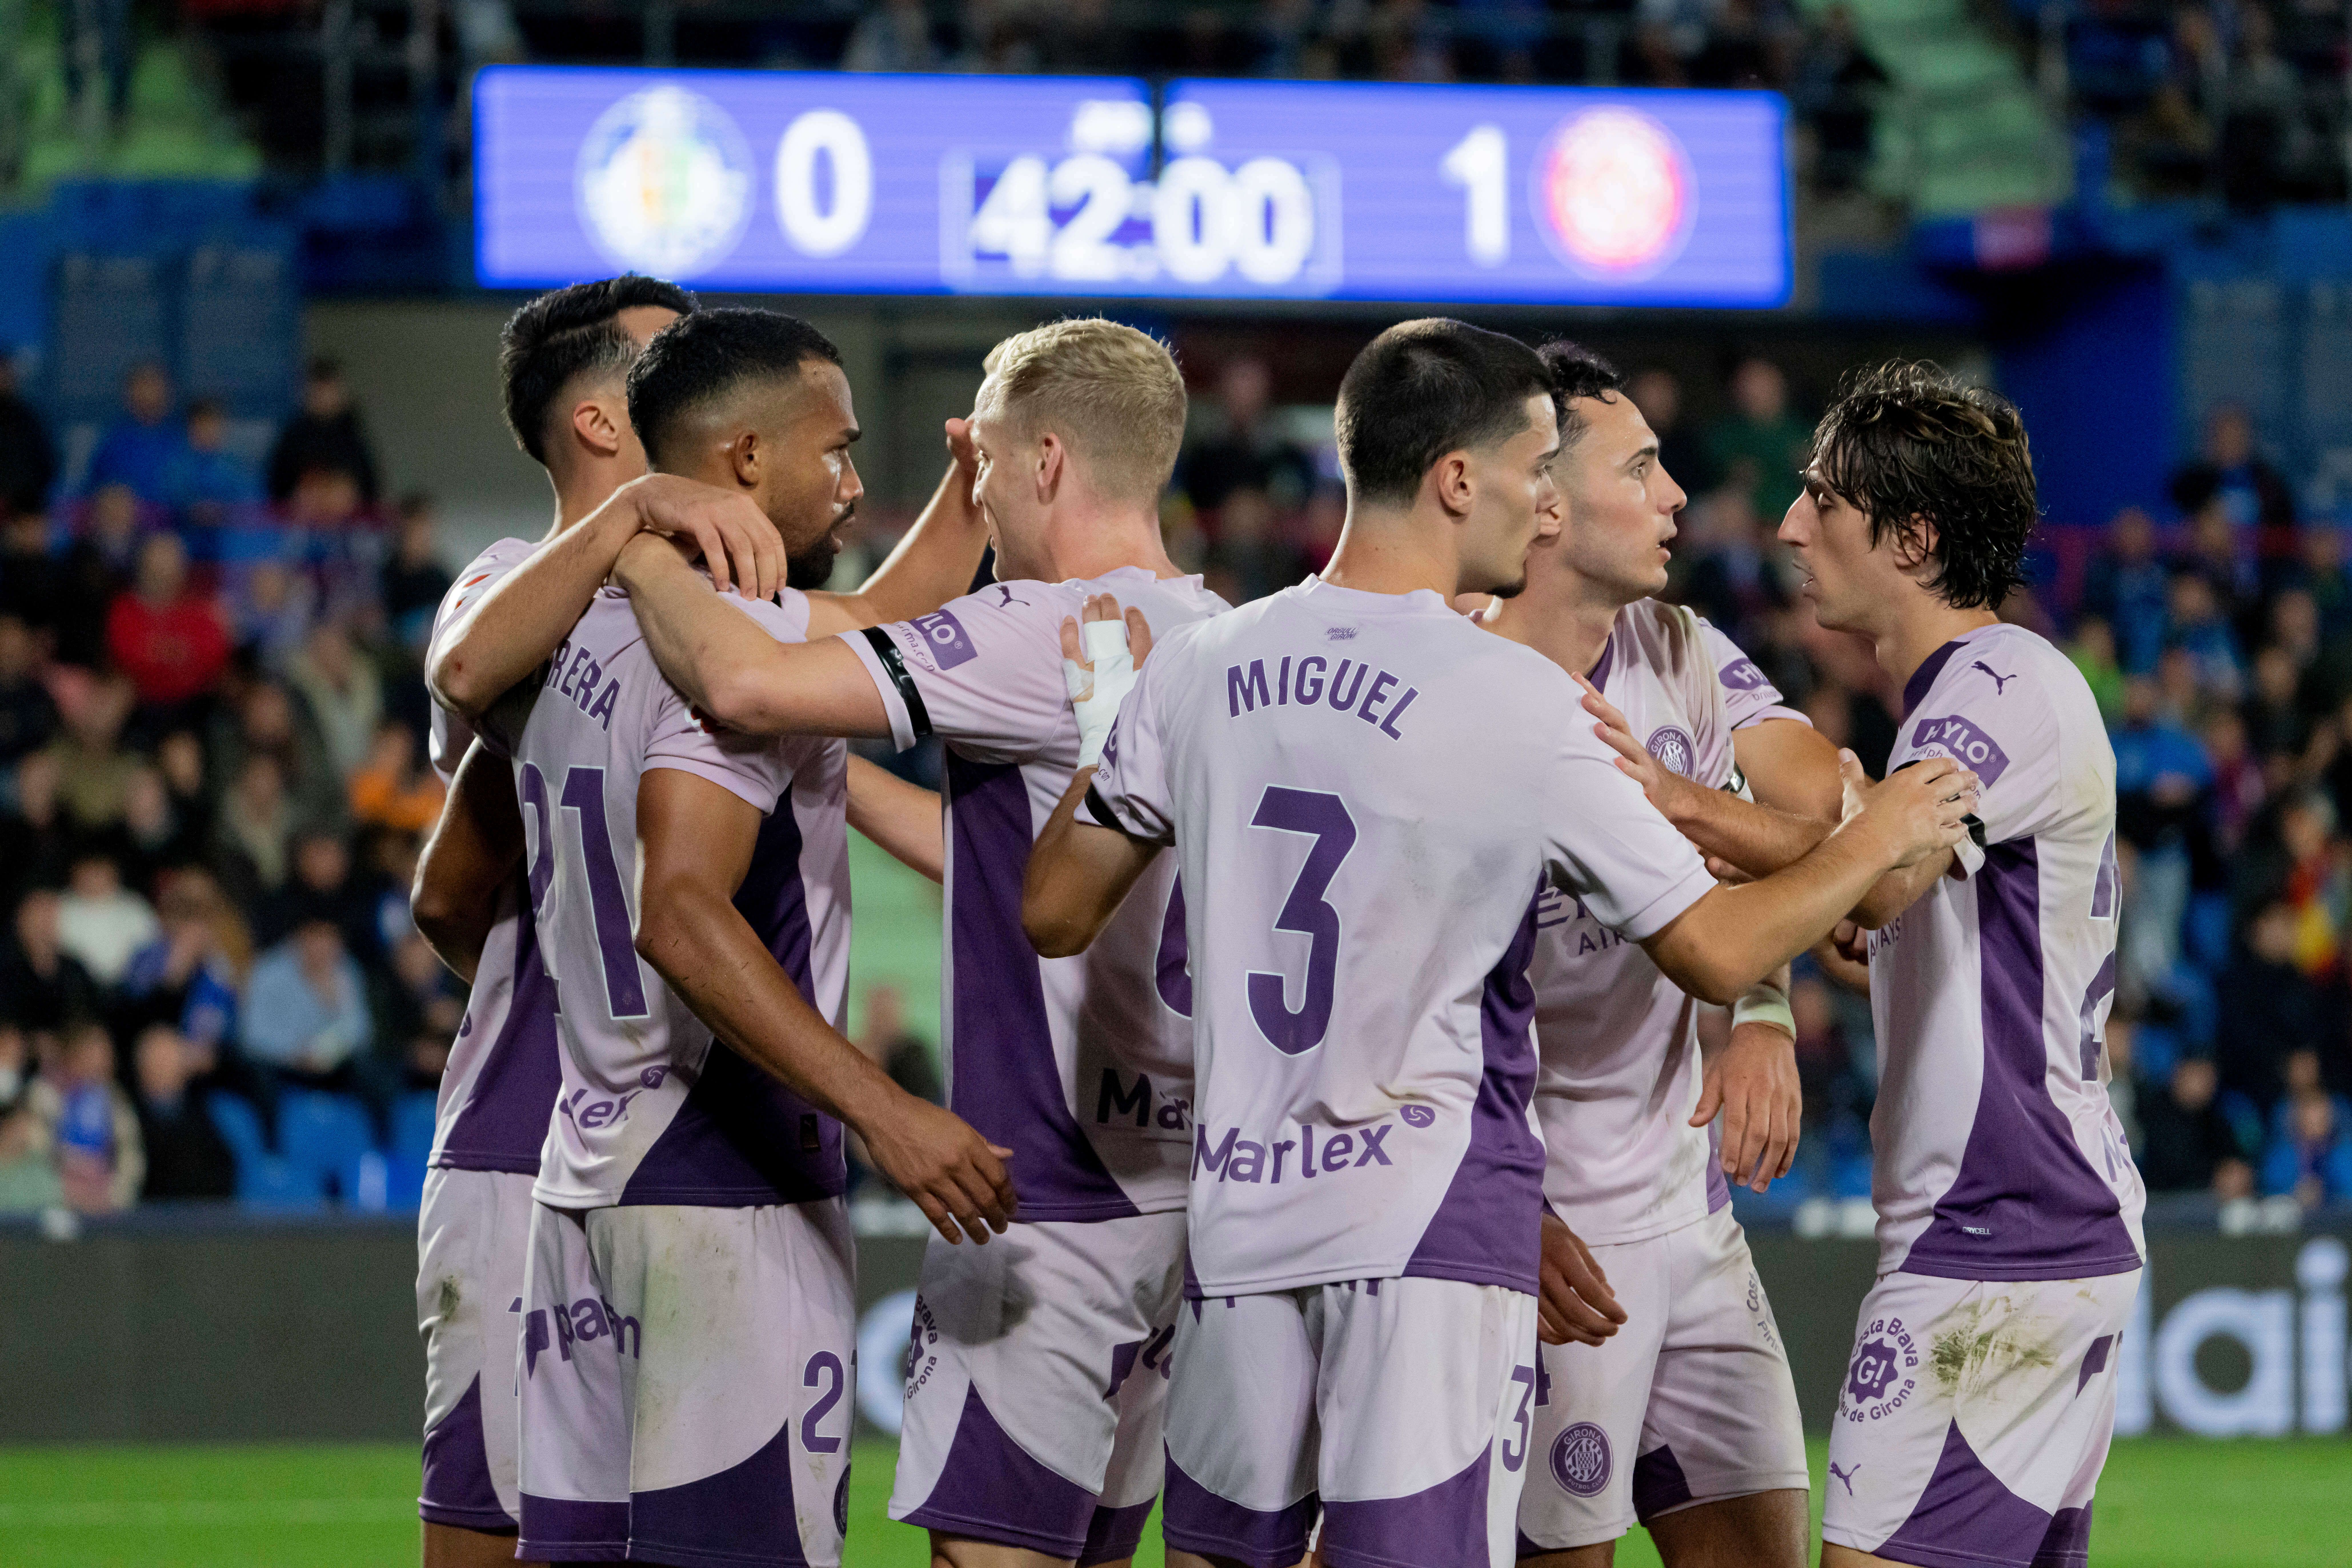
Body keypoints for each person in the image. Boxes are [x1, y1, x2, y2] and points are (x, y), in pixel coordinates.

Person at [1021, 319, 1975, 1568]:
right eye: (1536, 472)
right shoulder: (1513, 699)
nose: (1542, 505)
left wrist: (1144, 752)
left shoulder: (1203, 662)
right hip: (1432, 1229)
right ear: (1460, 479)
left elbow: (1054, 908)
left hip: (1244, 1223)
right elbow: (1711, 946)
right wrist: (1874, 838)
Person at [613, 317, 1227, 1568]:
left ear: (1046, 462)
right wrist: (832, 775)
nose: (977, 493)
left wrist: (630, 543)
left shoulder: (1040, 625)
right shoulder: (1221, 632)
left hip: (1045, 1199)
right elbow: (1040, 860)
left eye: (986, 461)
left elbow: (741, 682)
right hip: (1193, 1194)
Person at [486, 306, 1013, 1568]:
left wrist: (970, 489)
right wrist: (887, 1111)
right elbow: (680, 911)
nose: (852, 482)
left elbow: (881, 615)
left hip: (584, 1179)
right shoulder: (737, 654)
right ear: (744, 460)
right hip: (721, 1187)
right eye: (835, 450)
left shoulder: (565, 632)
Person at [1621, 362, 2142, 1568]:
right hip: (2042, 1231)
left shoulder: (1993, 686)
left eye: (1822, 500)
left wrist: (1671, 798)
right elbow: (1892, 897)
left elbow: (1886, 871)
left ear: (1911, 540)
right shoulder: (1984, 692)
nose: (1789, 525)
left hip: (1997, 1238)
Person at [1473, 341, 1840, 1568]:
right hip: (1547, 1233)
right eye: (1639, 468)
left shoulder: (1678, 646)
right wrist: (1492, 1206)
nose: (1677, 495)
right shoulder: (1449, 689)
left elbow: (1821, 820)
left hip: (1691, 1211)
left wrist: (1765, 1008)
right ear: (1543, 500)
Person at [268, 358, 381, 505]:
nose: (324, 397)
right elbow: (278, 487)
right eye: (319, 390)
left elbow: (370, 489)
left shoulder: (354, 438)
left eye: (329, 389)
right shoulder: (293, 438)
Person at [83, 363, 187, 503]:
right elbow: (97, 488)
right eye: (140, 387)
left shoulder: (186, 436)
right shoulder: (114, 440)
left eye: (153, 386)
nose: (147, 394)